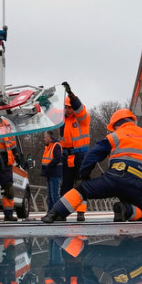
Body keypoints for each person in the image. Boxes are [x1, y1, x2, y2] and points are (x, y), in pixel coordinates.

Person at [42, 108, 142, 223]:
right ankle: (125, 209)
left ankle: (53, 213)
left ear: (116, 125)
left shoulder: (115, 136)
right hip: (138, 184)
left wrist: (84, 176)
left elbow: (92, 155)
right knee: (141, 213)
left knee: (81, 190)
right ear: (132, 121)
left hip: (113, 178)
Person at [58, 82, 91, 222]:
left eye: (70, 107)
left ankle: (81, 212)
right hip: (67, 156)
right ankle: (61, 212)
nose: (68, 110)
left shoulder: (82, 119)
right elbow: (48, 112)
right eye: (65, 107)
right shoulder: (61, 120)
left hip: (81, 156)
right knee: (65, 185)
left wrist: (71, 95)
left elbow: (79, 108)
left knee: (81, 184)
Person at [40, 131, 64, 211]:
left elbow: (57, 158)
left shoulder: (55, 146)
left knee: (54, 195)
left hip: (54, 173)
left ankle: (57, 212)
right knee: (50, 195)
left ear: (49, 137)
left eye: (45, 137)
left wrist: (49, 166)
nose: (44, 138)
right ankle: (51, 212)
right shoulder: (49, 146)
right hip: (50, 173)